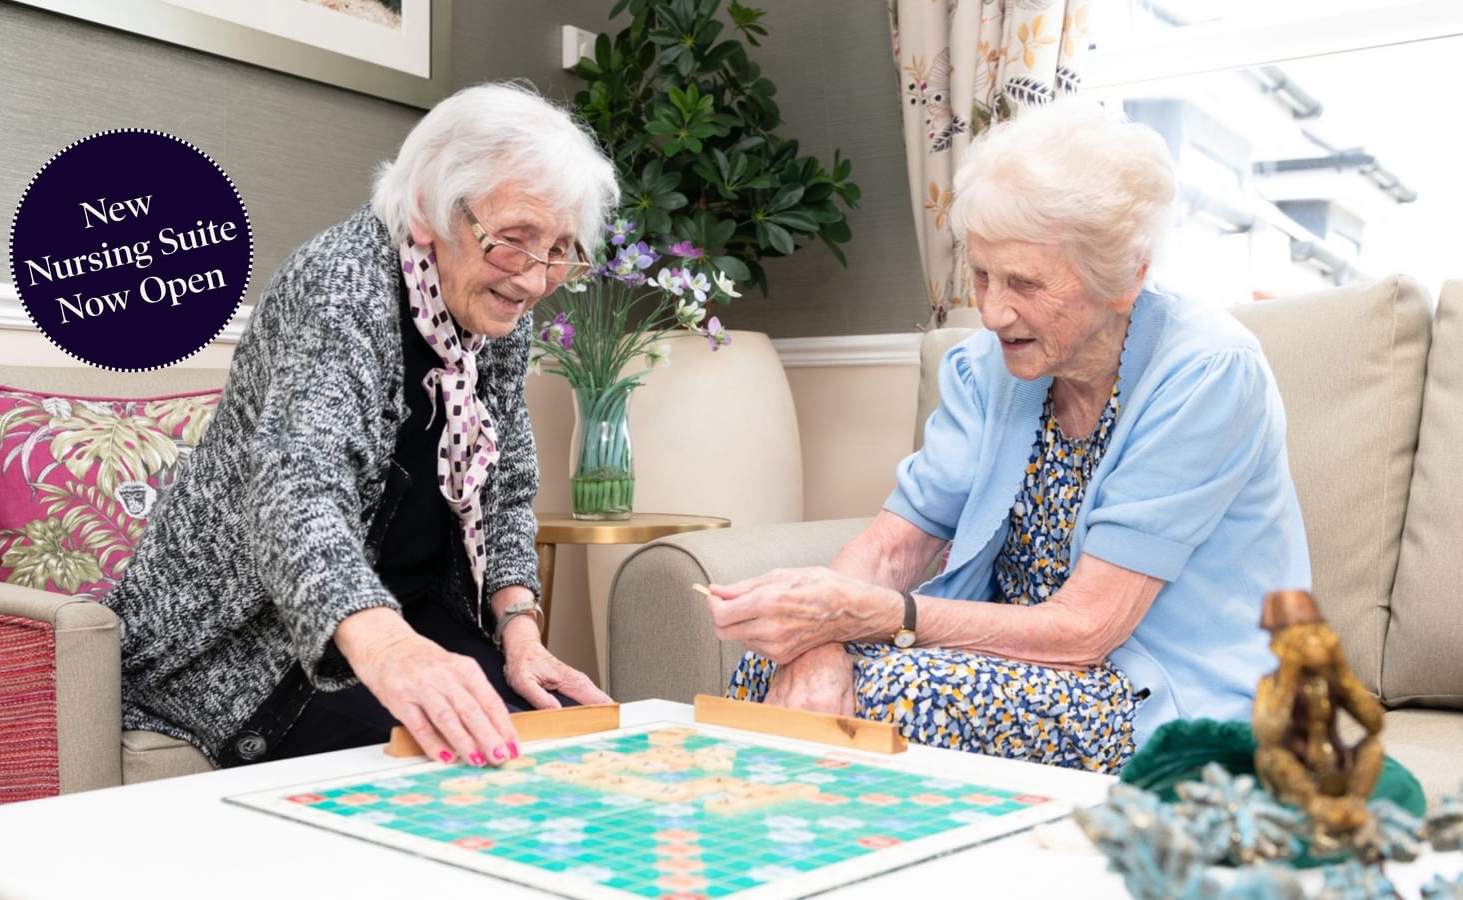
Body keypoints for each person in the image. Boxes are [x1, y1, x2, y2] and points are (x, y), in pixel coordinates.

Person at [703, 98, 1310, 774]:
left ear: (1125, 276)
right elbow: (890, 547)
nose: (992, 311)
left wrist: (868, 617)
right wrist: (818, 642)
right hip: (1021, 668)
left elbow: (1087, 630)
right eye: (982, 273)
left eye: (1023, 281)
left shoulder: (1206, 374)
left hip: (1159, 690)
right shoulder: (991, 367)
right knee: (779, 669)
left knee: (881, 697)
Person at [107, 83, 617, 769]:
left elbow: (504, 488)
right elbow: (297, 491)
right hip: (263, 645)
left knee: (566, 748)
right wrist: (393, 650)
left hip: (408, 612)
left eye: (560, 250)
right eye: (513, 242)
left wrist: (518, 630)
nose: (532, 279)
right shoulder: (341, 283)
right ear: (427, 210)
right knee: (478, 772)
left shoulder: (488, 304)